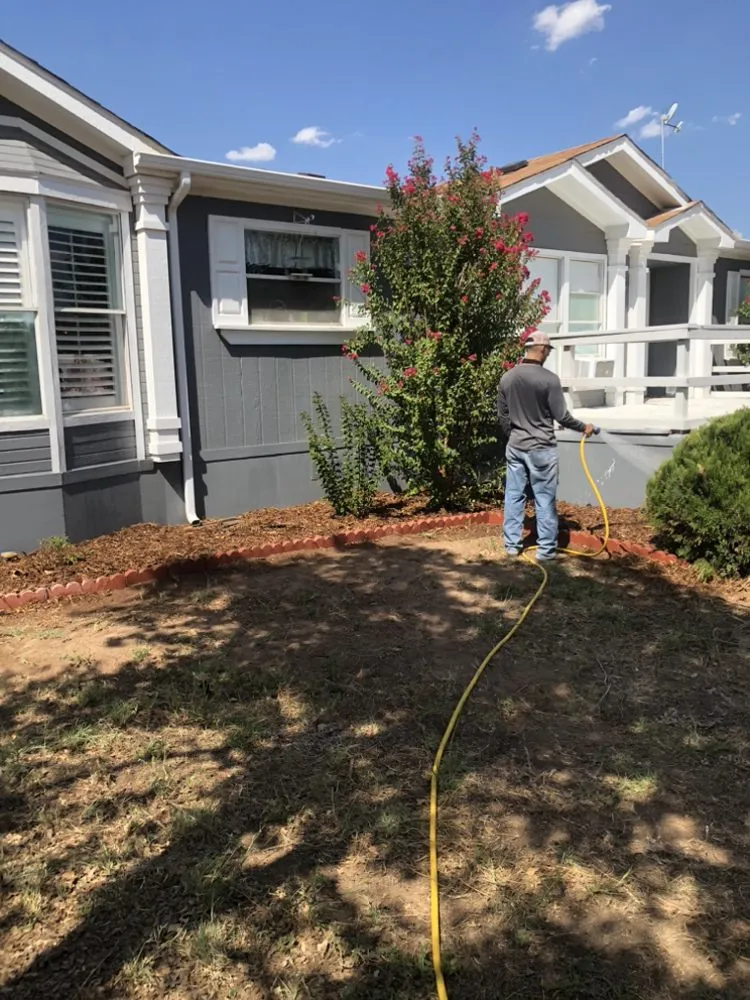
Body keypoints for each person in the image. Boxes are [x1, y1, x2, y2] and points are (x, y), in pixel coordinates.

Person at [497, 331, 594, 562]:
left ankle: (511, 547)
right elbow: (562, 416)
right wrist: (584, 427)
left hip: (515, 447)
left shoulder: (507, 378)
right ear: (542, 349)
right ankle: (546, 551)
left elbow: (503, 416)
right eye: (548, 350)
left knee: (513, 496)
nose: (548, 354)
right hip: (542, 449)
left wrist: (515, 436)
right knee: (544, 499)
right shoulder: (549, 379)